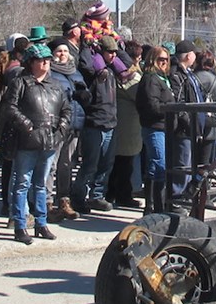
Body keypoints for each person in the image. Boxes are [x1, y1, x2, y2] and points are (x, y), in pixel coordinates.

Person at [0, 42, 70, 244]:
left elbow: (66, 109)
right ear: (31, 62)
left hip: (49, 141)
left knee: (42, 184)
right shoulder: (20, 83)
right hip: (26, 142)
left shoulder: (55, 85)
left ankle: (41, 223)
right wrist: (27, 125)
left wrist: (61, 129)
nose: (46, 63)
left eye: (48, 59)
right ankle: (20, 225)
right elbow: (10, 108)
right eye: (41, 59)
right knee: (22, 183)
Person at [44, 37, 89, 222]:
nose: (62, 54)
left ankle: (64, 199)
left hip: (74, 124)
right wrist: (69, 94)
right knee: (51, 165)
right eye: (58, 51)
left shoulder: (75, 72)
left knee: (67, 164)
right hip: (57, 125)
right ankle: (46, 202)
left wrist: (85, 95)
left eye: (64, 51)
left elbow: (85, 96)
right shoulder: (50, 73)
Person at [73, 34, 119, 213]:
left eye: (115, 52)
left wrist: (118, 44)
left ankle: (97, 196)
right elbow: (84, 63)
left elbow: (126, 61)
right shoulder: (94, 70)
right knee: (90, 164)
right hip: (94, 123)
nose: (113, 55)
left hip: (111, 123)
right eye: (110, 52)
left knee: (106, 164)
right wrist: (87, 45)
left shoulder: (112, 70)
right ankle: (78, 196)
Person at [135, 44, 175, 214]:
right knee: (159, 165)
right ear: (152, 60)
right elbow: (152, 105)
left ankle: (153, 206)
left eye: (166, 59)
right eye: (161, 59)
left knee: (156, 165)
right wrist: (171, 108)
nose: (164, 62)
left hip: (163, 127)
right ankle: (155, 207)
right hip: (154, 127)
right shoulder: (151, 78)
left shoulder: (162, 78)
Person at [167, 39, 206, 202]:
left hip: (194, 126)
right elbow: (179, 103)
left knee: (191, 165)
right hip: (184, 129)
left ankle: (186, 197)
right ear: (188, 55)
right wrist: (190, 124)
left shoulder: (188, 73)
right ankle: (177, 199)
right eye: (193, 54)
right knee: (183, 165)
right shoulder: (177, 74)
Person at [108, 39, 144, 209]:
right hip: (127, 124)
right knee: (124, 162)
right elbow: (139, 95)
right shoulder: (128, 77)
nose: (138, 60)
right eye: (136, 57)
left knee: (120, 162)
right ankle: (122, 194)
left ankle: (114, 193)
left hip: (125, 123)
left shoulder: (120, 74)